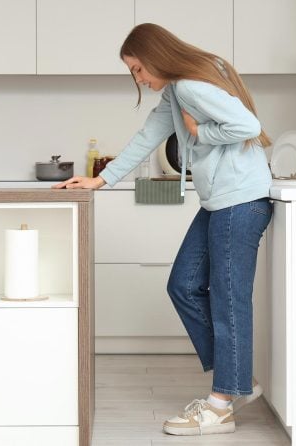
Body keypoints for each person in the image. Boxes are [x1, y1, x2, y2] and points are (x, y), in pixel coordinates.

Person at [54, 23, 273, 436]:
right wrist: (102, 179)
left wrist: (197, 132)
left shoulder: (190, 86)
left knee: (228, 299)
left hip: (240, 201)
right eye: (133, 73)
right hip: (220, 201)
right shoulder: (177, 92)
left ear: (155, 56)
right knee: (184, 285)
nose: (139, 79)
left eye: (138, 69)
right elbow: (147, 136)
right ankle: (236, 380)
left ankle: (220, 406)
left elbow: (246, 126)